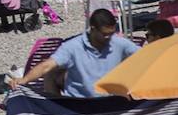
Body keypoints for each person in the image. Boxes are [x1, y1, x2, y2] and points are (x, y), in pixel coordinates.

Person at [10, 8, 139, 97]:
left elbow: (144, 56)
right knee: (52, 72)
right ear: (93, 29)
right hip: (79, 105)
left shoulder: (119, 43)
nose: (108, 38)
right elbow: (47, 66)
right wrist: (25, 80)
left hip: (112, 102)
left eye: (111, 34)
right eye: (105, 34)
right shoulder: (73, 46)